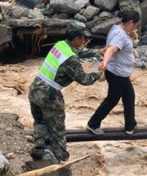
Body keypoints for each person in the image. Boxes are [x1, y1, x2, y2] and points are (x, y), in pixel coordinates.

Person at [28, 22, 102, 161]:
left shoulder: (61, 45)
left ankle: (39, 149)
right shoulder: (71, 59)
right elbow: (84, 79)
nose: (84, 41)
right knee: (58, 131)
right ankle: (62, 161)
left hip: (35, 88)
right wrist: (98, 73)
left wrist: (98, 52)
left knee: (40, 121)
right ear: (77, 39)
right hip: (49, 95)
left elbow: (79, 51)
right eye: (83, 38)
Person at [86, 10, 140, 135]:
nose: (136, 28)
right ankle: (93, 124)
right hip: (117, 74)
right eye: (136, 25)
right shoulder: (120, 35)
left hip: (118, 73)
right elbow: (111, 49)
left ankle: (130, 125)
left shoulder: (116, 28)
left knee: (129, 96)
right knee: (112, 100)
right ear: (131, 22)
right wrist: (104, 63)